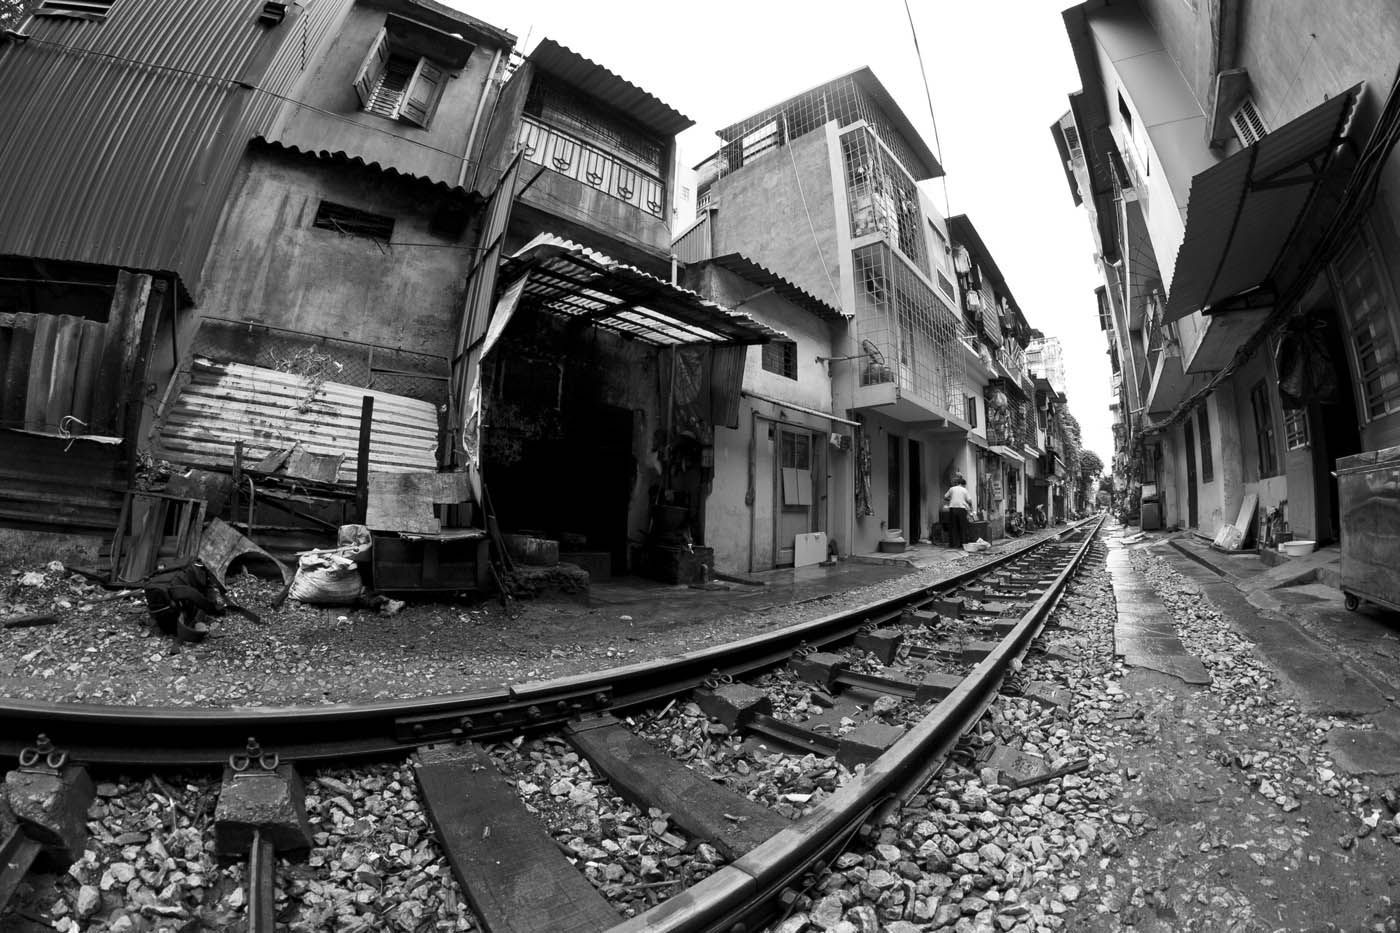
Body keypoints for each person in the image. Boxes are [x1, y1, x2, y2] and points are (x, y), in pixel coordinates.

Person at [943, 475, 973, 549]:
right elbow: (969, 500)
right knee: (963, 527)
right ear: (963, 484)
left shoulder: (952, 489)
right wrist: (971, 506)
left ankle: (953, 544)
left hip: (952, 509)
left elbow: (945, 497)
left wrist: (951, 500)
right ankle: (963, 544)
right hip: (961, 510)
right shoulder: (964, 490)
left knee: (953, 527)